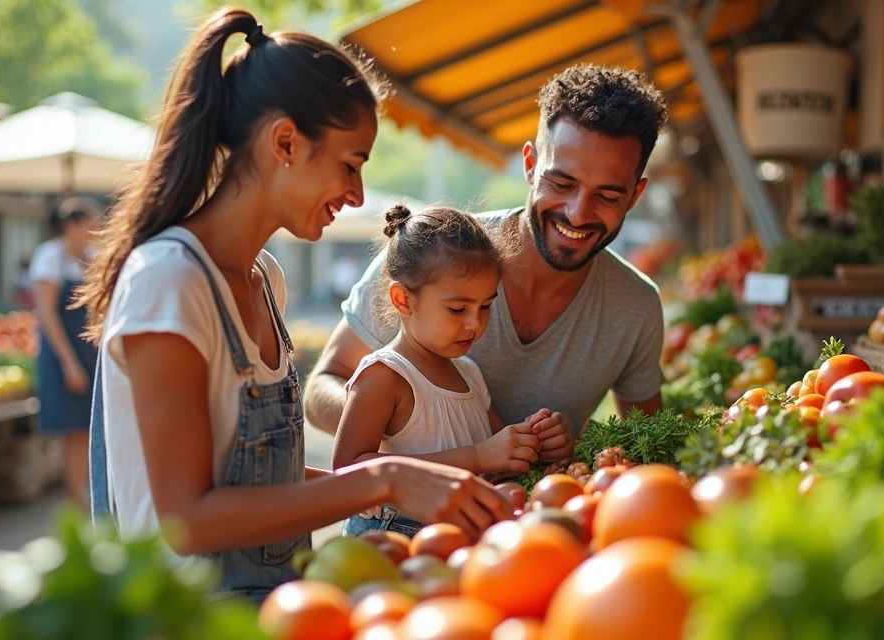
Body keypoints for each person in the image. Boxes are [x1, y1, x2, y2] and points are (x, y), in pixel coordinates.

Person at [77, 9, 510, 604]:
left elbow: (257, 479)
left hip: (281, 602)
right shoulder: (167, 282)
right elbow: (186, 518)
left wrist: (403, 490)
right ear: (284, 141)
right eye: (350, 164)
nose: (358, 194)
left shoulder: (265, 279)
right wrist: (382, 478)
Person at [306, 64, 670, 439]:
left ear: (634, 196)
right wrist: (420, 429)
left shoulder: (636, 307)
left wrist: (572, 444)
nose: (577, 214)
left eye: (607, 195)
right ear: (530, 166)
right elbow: (321, 391)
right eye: (561, 183)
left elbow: (643, 444)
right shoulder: (431, 252)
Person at [333, 204, 572, 537]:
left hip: (458, 541)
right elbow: (347, 472)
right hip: (393, 538)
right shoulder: (386, 375)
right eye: (458, 308)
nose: (475, 323)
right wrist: (477, 456)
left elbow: (499, 459)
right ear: (403, 300)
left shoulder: (470, 374)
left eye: (486, 306)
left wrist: (538, 440)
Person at [31, 197, 101, 508]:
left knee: (89, 428)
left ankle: (86, 493)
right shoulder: (49, 257)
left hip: (88, 352)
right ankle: (77, 499)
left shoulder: (92, 257)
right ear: (71, 226)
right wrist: (70, 363)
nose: (93, 231)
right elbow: (47, 315)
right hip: (63, 354)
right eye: (89, 225)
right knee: (73, 430)